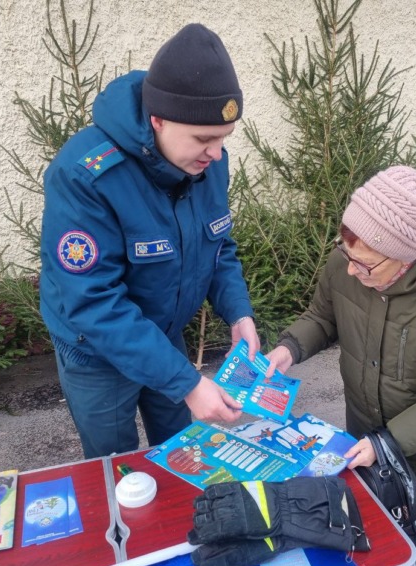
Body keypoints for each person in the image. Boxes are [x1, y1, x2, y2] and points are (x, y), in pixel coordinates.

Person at [40, 23, 260, 459]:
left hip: (163, 333)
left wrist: (238, 313)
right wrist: (188, 383)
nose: (216, 154)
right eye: (204, 139)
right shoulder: (85, 175)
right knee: (115, 463)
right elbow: (94, 302)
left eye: (224, 138)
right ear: (158, 120)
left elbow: (218, 245)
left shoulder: (208, 162)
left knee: (179, 450)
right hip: (96, 352)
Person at [265, 166, 416, 566]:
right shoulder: (347, 262)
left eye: (365, 265)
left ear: (407, 256)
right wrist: (289, 348)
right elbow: (323, 316)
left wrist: (387, 443)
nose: (352, 270)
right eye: (346, 253)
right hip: (364, 439)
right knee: (382, 542)